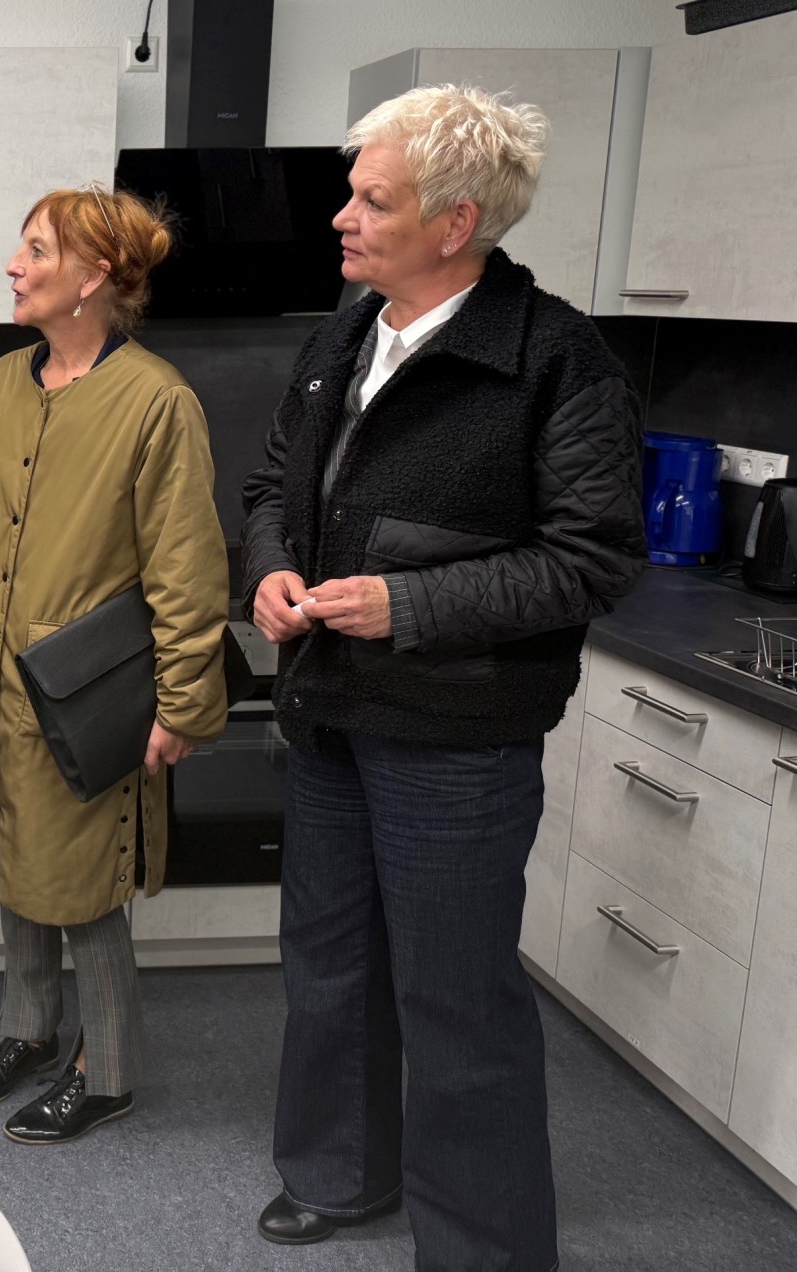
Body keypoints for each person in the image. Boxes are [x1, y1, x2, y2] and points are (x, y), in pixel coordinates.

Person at [241, 86, 646, 1265]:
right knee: (327, 971)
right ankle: (339, 1174)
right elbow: (271, 489)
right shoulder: (343, 335)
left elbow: (592, 559)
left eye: (372, 199)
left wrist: (406, 604)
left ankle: (484, 1248)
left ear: (456, 222)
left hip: (458, 744)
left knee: (458, 1007)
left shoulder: (556, 360)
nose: (341, 219)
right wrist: (271, 572)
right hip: (330, 715)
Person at [0, 186, 228, 1146]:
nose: (14, 267)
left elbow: (187, 572)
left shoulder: (156, 403)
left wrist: (183, 703)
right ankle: (29, 1027)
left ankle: (109, 1070)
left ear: (94, 276)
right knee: (16, 860)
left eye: (34, 251)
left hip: (93, 697)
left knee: (87, 885)